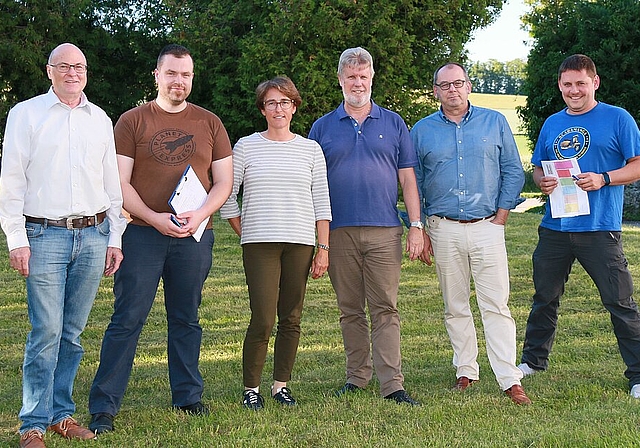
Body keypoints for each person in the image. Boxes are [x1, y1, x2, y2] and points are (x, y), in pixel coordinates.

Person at [87, 44, 233, 433]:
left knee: (186, 318)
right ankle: (104, 406)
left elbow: (224, 182)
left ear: (192, 78)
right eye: (171, 73)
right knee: (127, 318)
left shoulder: (210, 123)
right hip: (141, 235)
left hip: (194, 236)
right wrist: (153, 218)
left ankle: (188, 396)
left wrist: (199, 214)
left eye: (185, 75)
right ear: (157, 75)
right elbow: (119, 184)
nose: (178, 81)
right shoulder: (132, 121)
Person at [0, 43, 127, 448]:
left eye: (80, 66)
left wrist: (115, 237)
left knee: (72, 332)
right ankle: (32, 424)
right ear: (49, 71)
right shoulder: (26, 114)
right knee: (46, 330)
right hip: (43, 236)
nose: (73, 72)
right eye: (65, 66)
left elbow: (112, 185)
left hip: (93, 235)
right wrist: (16, 239)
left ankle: (61, 414)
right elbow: (12, 182)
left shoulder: (99, 119)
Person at [518, 54, 640, 398]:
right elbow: (541, 167)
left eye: (581, 84)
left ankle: (638, 376)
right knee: (544, 298)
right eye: (568, 84)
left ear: (595, 83)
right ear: (560, 85)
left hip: (599, 229)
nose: (574, 90)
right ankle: (532, 361)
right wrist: (542, 181)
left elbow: (638, 164)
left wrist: (604, 178)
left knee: (620, 302)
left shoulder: (617, 118)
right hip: (555, 227)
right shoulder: (553, 123)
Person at [308, 47, 424, 405]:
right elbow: (312, 183)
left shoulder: (393, 123)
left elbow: (408, 178)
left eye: (363, 76)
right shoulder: (322, 127)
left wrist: (416, 224)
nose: (357, 83)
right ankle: (357, 377)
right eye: (351, 77)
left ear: (372, 78)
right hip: (338, 231)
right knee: (350, 309)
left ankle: (393, 385)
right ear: (340, 80)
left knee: (385, 307)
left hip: (385, 230)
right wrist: (318, 237)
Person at [411, 62, 531, 405]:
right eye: (445, 85)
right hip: (443, 227)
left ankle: (509, 378)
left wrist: (502, 216)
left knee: (496, 304)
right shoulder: (421, 131)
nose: (452, 90)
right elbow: (413, 182)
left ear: (468, 86)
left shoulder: (494, 122)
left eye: (458, 83)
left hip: (487, 227)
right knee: (455, 304)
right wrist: (419, 226)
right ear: (435, 91)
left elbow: (512, 170)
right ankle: (466, 370)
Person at [220, 76, 332, 410]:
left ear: (294, 107)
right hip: (260, 246)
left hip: (300, 243)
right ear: (263, 109)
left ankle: (280, 385)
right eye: (271, 102)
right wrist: (248, 231)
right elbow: (227, 197)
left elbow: (322, 201)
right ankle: (250, 387)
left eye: (284, 102)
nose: (278, 108)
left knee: (291, 318)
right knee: (263, 318)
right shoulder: (245, 146)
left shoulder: (310, 149)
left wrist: (322, 248)